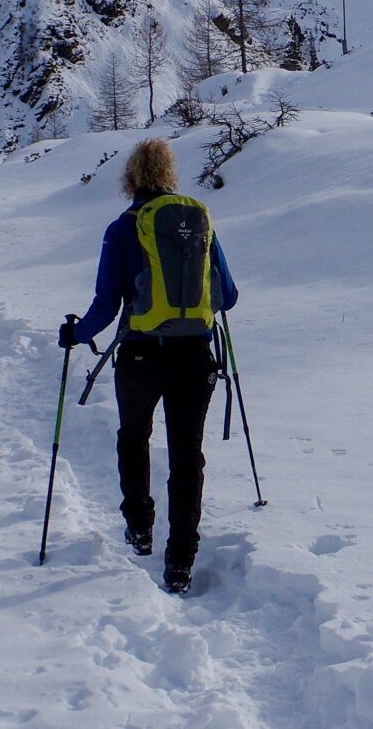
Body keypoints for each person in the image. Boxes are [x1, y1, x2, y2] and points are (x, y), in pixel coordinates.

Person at [59, 138, 238, 593]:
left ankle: (140, 526)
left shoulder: (122, 229)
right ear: (171, 176)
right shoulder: (197, 223)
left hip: (140, 355)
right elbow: (228, 296)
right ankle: (181, 560)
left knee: (134, 436)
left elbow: (105, 304)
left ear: (131, 181)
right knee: (186, 454)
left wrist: (76, 334)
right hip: (195, 356)